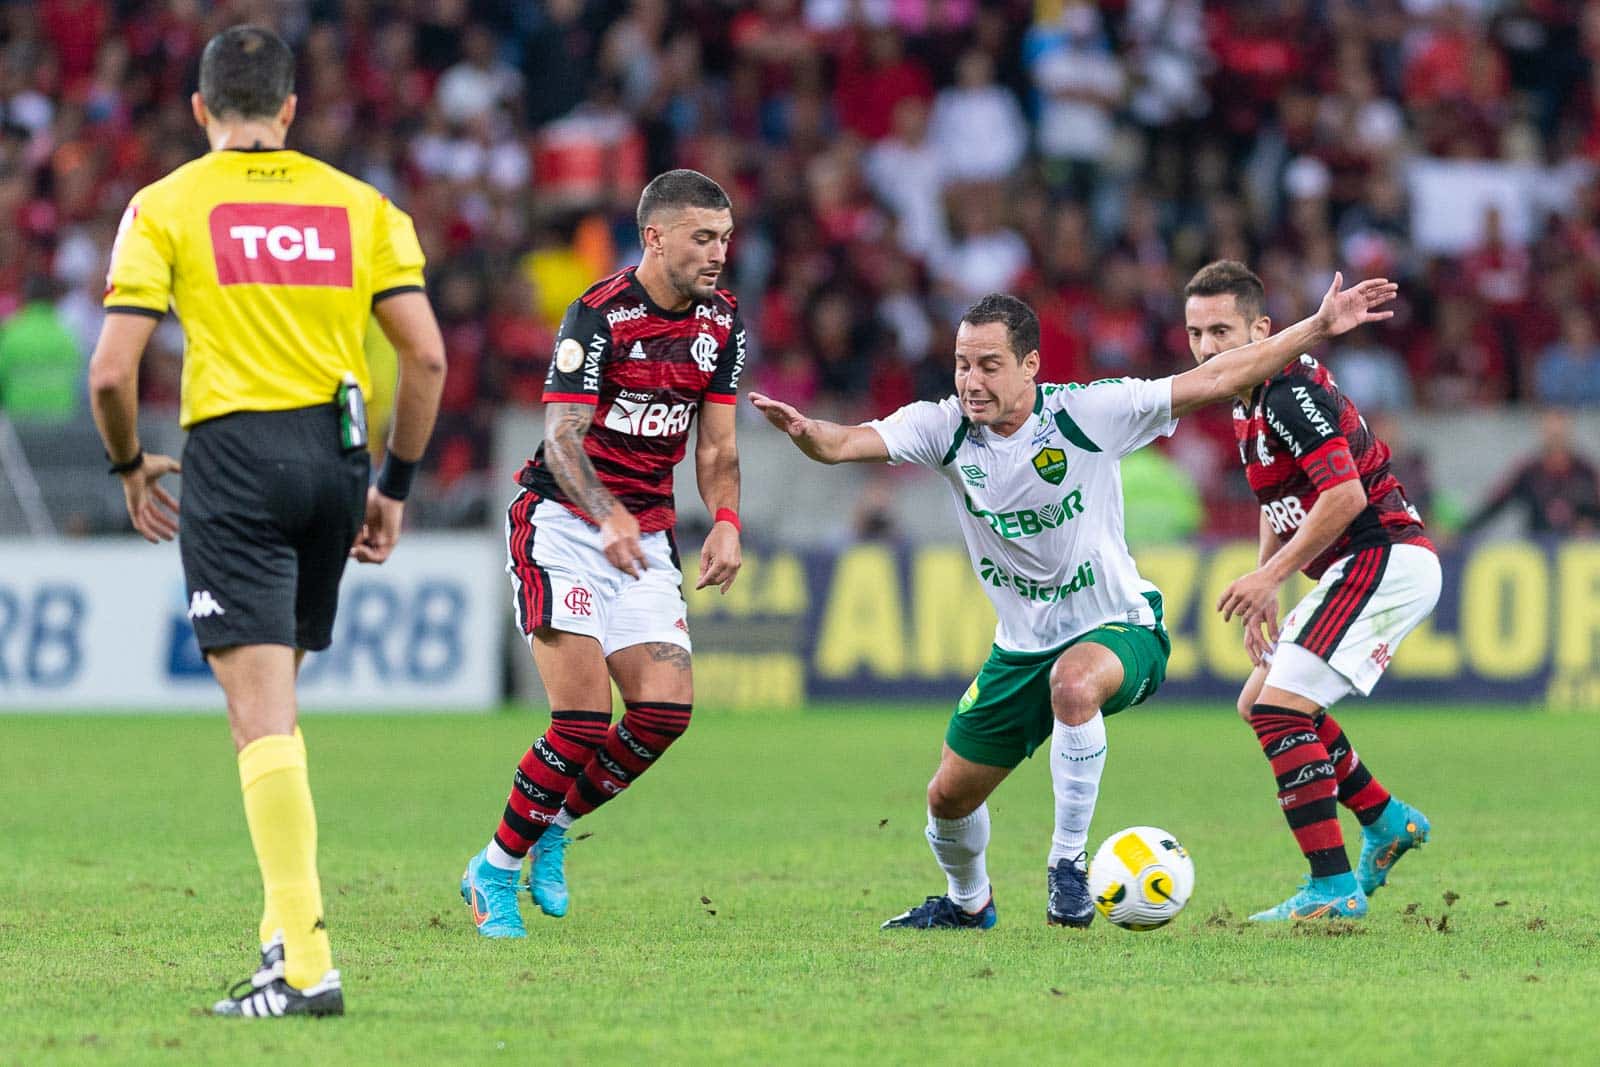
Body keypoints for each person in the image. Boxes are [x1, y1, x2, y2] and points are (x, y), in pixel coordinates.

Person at [750, 273, 1397, 930]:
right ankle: (969, 901)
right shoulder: (942, 428)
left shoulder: (1087, 414)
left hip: (1121, 627)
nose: (971, 381)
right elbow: (842, 442)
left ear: (1031, 365)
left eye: (989, 366)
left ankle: (1067, 863)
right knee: (947, 796)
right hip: (1019, 647)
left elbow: (1212, 380)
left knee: (1074, 680)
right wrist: (805, 431)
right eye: (962, 364)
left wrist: (1316, 326)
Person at [87, 26, 446, 1016]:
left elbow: (113, 369)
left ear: (201, 110)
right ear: (290, 110)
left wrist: (126, 464)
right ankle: (281, 939)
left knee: (258, 719)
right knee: (278, 711)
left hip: (237, 460)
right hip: (337, 460)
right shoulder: (362, 205)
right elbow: (425, 359)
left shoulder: (165, 204)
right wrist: (395, 484)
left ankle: (305, 967)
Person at [460, 169, 745, 938]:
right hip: (562, 521)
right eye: (702, 237)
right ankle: (492, 871)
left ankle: (548, 821)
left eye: (724, 237)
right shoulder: (599, 314)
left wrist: (726, 518)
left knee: (662, 711)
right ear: (655, 237)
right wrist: (607, 512)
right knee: (582, 719)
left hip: (644, 532)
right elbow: (562, 436)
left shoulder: (723, 322)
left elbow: (716, 444)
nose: (719, 252)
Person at [1186, 260, 1437, 922]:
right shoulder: (1246, 402)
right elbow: (1280, 501)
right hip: (1357, 564)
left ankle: (1331, 888)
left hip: (1383, 555)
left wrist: (1269, 576)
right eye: (1195, 333)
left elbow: (1345, 493)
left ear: (1262, 329)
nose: (1207, 348)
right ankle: (1384, 818)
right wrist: (1267, 579)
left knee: (1278, 711)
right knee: (1260, 702)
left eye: (1220, 330)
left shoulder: (1286, 394)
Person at [1459, 409, 1600, 537]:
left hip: (1577, 555)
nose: (1555, 436)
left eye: (1559, 432)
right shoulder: (1528, 472)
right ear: (1542, 431)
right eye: (1550, 431)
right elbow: (1494, 506)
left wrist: (1589, 525)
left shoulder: (1586, 472)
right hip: (1537, 553)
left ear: (1569, 430)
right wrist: (1460, 531)